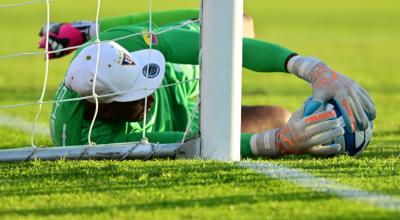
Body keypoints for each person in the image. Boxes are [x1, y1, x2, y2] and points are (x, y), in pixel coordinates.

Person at [41, 9, 375, 157]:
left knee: (238, 22)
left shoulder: (113, 49)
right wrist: (278, 142)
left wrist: (312, 68)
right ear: (103, 108)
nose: (150, 91)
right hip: (191, 121)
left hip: (181, 74)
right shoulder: (98, 142)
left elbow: (209, 36)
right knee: (282, 118)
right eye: (136, 95)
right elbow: (193, 142)